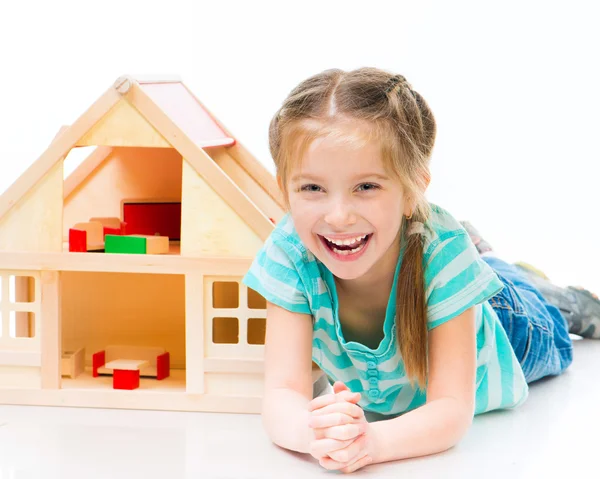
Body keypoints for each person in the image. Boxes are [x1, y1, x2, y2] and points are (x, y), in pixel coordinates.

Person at [241, 67, 599, 473]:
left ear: (412, 191)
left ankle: (540, 287)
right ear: (283, 188)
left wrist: (371, 442)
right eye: (312, 188)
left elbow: (450, 409)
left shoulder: (441, 256)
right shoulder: (289, 253)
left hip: (508, 327)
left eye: (366, 187)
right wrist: (314, 433)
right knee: (476, 267)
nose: (338, 217)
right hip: (448, 272)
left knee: (549, 322)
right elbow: (282, 392)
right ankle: (487, 260)